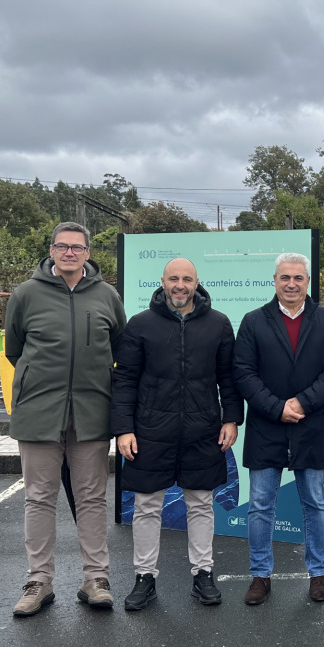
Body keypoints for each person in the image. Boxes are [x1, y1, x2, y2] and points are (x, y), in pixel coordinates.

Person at [4, 221, 126, 617]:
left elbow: (120, 349)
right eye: (63, 246)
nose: (70, 252)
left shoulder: (108, 297)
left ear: (88, 253)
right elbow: (14, 349)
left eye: (77, 247)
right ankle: (38, 581)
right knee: (39, 498)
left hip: (91, 414)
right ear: (52, 250)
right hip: (40, 412)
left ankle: (96, 579)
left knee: (92, 498)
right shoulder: (25, 295)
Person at [110, 258, 243, 611]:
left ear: (197, 282)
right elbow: (123, 381)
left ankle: (203, 574)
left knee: (200, 504)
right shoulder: (140, 325)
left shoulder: (218, 324)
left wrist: (231, 419)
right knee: (147, 506)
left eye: (186, 279)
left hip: (202, 429)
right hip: (150, 430)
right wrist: (123, 428)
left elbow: (228, 378)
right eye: (174, 278)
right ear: (163, 282)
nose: (180, 285)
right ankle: (144, 578)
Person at [233, 253, 324, 605]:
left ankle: (317, 574)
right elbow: (243, 372)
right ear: (275, 280)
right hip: (267, 426)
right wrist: (276, 407)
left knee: (314, 503)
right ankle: (260, 576)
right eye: (285, 277)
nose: (291, 284)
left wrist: (301, 403)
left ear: (307, 282)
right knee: (260, 505)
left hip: (310, 426)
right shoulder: (254, 321)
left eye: (298, 278)